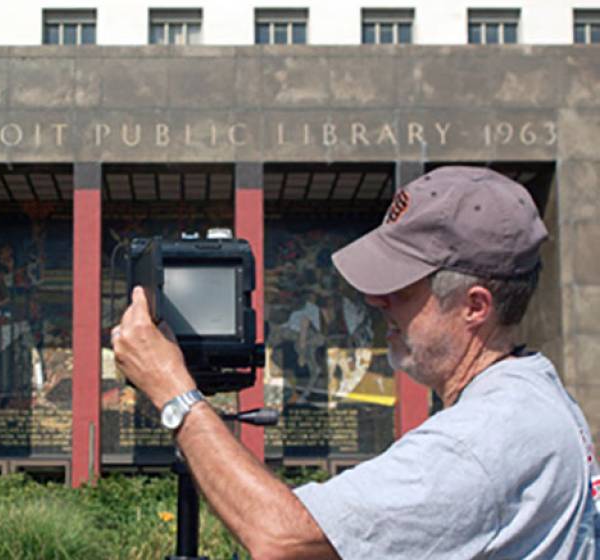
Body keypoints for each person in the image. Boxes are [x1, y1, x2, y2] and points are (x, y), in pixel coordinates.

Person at [111, 166, 599, 559]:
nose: (375, 299)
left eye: (402, 287)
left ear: (474, 306)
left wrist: (174, 392)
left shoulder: (480, 441)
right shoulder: (533, 393)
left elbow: (282, 538)